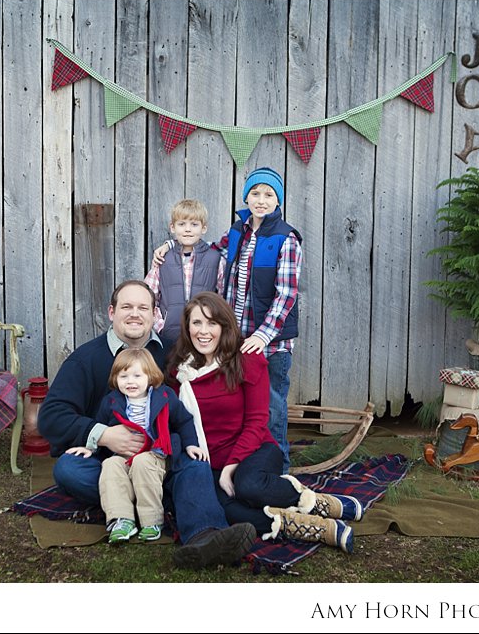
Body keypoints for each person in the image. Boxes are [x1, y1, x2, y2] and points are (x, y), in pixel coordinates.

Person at [38, 280, 256, 568]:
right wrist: (103, 436)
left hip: (162, 458)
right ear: (111, 312)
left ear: (155, 315)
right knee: (68, 469)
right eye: (126, 307)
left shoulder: (174, 354)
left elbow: (211, 384)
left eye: (143, 307)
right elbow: (51, 415)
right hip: (112, 464)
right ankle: (169, 502)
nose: (135, 314)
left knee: (195, 460)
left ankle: (205, 536)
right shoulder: (86, 359)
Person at [167, 292, 357, 552]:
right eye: (197, 323)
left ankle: (314, 502)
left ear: (225, 326)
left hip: (254, 450)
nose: (204, 331)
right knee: (226, 509)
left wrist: (230, 468)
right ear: (187, 328)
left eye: (212, 323)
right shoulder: (180, 371)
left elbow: (257, 422)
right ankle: (311, 527)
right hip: (209, 461)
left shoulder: (246, 359)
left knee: (248, 486)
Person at [154, 168, 302, 472]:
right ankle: (238, 462)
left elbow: (286, 293)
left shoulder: (286, 239)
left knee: (272, 406)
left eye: (269, 195)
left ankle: (280, 469)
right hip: (237, 338)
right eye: (256, 193)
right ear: (246, 197)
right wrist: (170, 246)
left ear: (278, 200)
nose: (261, 200)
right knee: (241, 402)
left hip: (269, 342)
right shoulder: (237, 231)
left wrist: (263, 335)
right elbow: (205, 249)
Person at [66, 347, 208, 544]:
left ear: (150, 376)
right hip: (124, 454)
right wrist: (90, 447)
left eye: (137, 375)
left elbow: (183, 420)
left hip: (156, 453)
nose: (130, 382)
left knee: (142, 462)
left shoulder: (164, 396)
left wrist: (191, 444)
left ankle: (152, 522)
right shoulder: (112, 401)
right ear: (115, 379)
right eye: (123, 376)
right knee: (110, 466)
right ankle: (121, 519)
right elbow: (101, 426)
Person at [144, 199, 225, 345]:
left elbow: (223, 297)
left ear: (203, 228)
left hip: (204, 336)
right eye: (182, 224)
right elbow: (148, 295)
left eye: (194, 224)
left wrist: (214, 324)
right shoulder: (163, 259)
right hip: (169, 336)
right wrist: (160, 325)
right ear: (173, 227)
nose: (188, 229)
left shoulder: (215, 259)